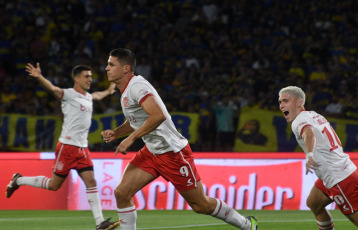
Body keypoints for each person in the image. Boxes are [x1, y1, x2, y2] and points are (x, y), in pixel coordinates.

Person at [101, 48, 258, 230]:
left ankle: (247, 224)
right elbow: (137, 119)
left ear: (126, 68)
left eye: (111, 64)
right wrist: (117, 132)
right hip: (152, 152)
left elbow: (157, 115)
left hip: (172, 153)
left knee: (201, 205)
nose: (106, 68)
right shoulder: (127, 91)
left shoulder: (137, 87)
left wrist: (130, 139)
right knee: (122, 192)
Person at [6, 63, 120, 230]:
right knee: (54, 185)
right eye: (86, 76)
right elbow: (53, 89)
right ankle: (19, 180)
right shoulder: (68, 94)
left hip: (82, 149)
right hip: (67, 147)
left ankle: (100, 223)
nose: (90, 79)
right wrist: (39, 77)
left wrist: (109, 91)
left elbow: (97, 95)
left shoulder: (88, 97)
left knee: (91, 181)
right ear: (76, 78)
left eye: (90, 76)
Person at [278, 86, 358, 230]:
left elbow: (309, 134)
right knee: (314, 203)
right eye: (280, 102)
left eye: (285, 100)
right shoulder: (314, 115)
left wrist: (309, 155)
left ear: (299, 102)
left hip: (340, 179)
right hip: (339, 171)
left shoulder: (299, 121)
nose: (281, 105)